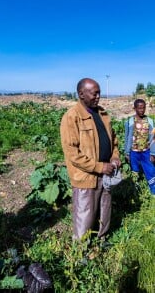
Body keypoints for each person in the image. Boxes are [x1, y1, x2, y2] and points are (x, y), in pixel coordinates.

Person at [60, 78, 121, 241]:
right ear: (81, 94)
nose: (98, 96)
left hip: (107, 173)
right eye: (95, 93)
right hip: (87, 177)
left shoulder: (102, 114)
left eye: (99, 93)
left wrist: (115, 156)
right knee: (85, 216)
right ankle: (81, 251)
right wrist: (99, 167)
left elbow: (113, 140)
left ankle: (101, 240)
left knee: (104, 210)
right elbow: (72, 153)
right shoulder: (72, 117)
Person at [124, 99, 155, 194]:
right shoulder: (129, 121)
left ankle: (153, 191)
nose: (142, 110)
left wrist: (153, 153)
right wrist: (127, 152)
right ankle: (136, 192)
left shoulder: (150, 121)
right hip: (133, 152)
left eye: (143, 108)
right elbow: (127, 137)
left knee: (151, 171)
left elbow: (153, 137)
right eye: (139, 108)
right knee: (135, 171)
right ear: (135, 108)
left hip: (147, 151)